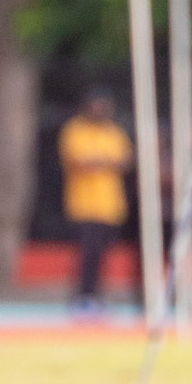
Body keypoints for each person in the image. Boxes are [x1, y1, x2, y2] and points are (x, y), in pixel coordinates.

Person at [59, 91, 131, 314]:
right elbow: (80, 161)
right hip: (83, 206)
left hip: (110, 206)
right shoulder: (74, 131)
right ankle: (82, 296)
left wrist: (98, 161)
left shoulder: (114, 133)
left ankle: (96, 296)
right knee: (86, 254)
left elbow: (125, 160)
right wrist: (105, 161)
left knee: (102, 255)